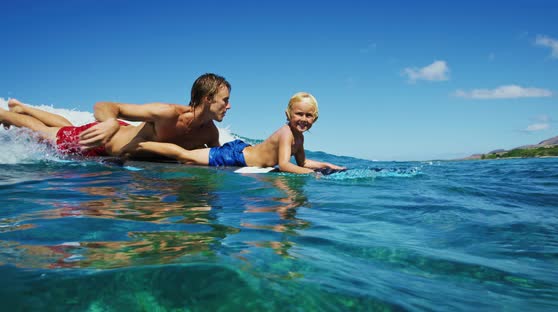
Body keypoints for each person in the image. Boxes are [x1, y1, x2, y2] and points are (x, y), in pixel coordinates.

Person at [0, 73, 232, 158]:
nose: (229, 106)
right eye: (225, 100)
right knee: (46, 134)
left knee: (67, 127)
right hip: (104, 141)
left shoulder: (210, 132)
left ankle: (23, 108)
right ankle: (6, 114)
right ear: (208, 99)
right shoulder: (167, 113)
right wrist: (109, 122)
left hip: (123, 134)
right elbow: (106, 105)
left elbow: (214, 158)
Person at [136, 92, 345, 174]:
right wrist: (313, 175)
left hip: (241, 151)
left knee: (189, 159)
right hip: (236, 156)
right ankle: (141, 145)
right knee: (186, 156)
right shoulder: (286, 134)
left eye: (309, 116)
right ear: (288, 114)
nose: (303, 119)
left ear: (315, 119)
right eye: (299, 114)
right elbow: (284, 164)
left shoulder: (298, 138)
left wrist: (329, 166)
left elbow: (302, 162)